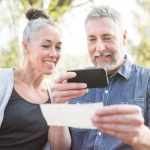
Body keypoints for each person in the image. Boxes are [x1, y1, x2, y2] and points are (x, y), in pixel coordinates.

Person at [49, 6, 150, 150]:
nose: (100, 47)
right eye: (92, 39)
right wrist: (57, 108)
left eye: (107, 38)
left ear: (124, 37)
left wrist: (141, 135)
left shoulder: (146, 80)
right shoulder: (73, 85)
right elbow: (59, 148)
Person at [0, 8, 62, 150]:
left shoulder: (55, 94)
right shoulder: (2, 81)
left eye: (58, 47)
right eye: (46, 46)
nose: (54, 54)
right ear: (26, 47)